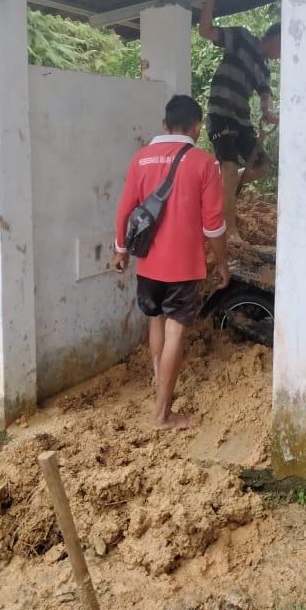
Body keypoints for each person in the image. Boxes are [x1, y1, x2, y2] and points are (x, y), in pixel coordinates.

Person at [112, 95, 229, 430]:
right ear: (197, 127)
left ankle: (157, 382)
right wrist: (221, 263)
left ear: (164, 125)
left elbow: (125, 209)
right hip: (185, 265)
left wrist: (121, 250)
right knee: (176, 329)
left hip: (148, 262)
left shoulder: (141, 158)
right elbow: (213, 225)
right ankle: (162, 414)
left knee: (156, 320)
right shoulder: (204, 162)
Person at [198, 0, 281, 242]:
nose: (282, 56)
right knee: (230, 169)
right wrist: (209, 1)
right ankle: (230, 231)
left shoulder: (264, 69)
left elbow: (266, 97)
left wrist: (270, 113)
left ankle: (223, 187)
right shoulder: (243, 39)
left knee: (262, 166)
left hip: (241, 121)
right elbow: (206, 32)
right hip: (220, 114)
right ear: (276, 37)